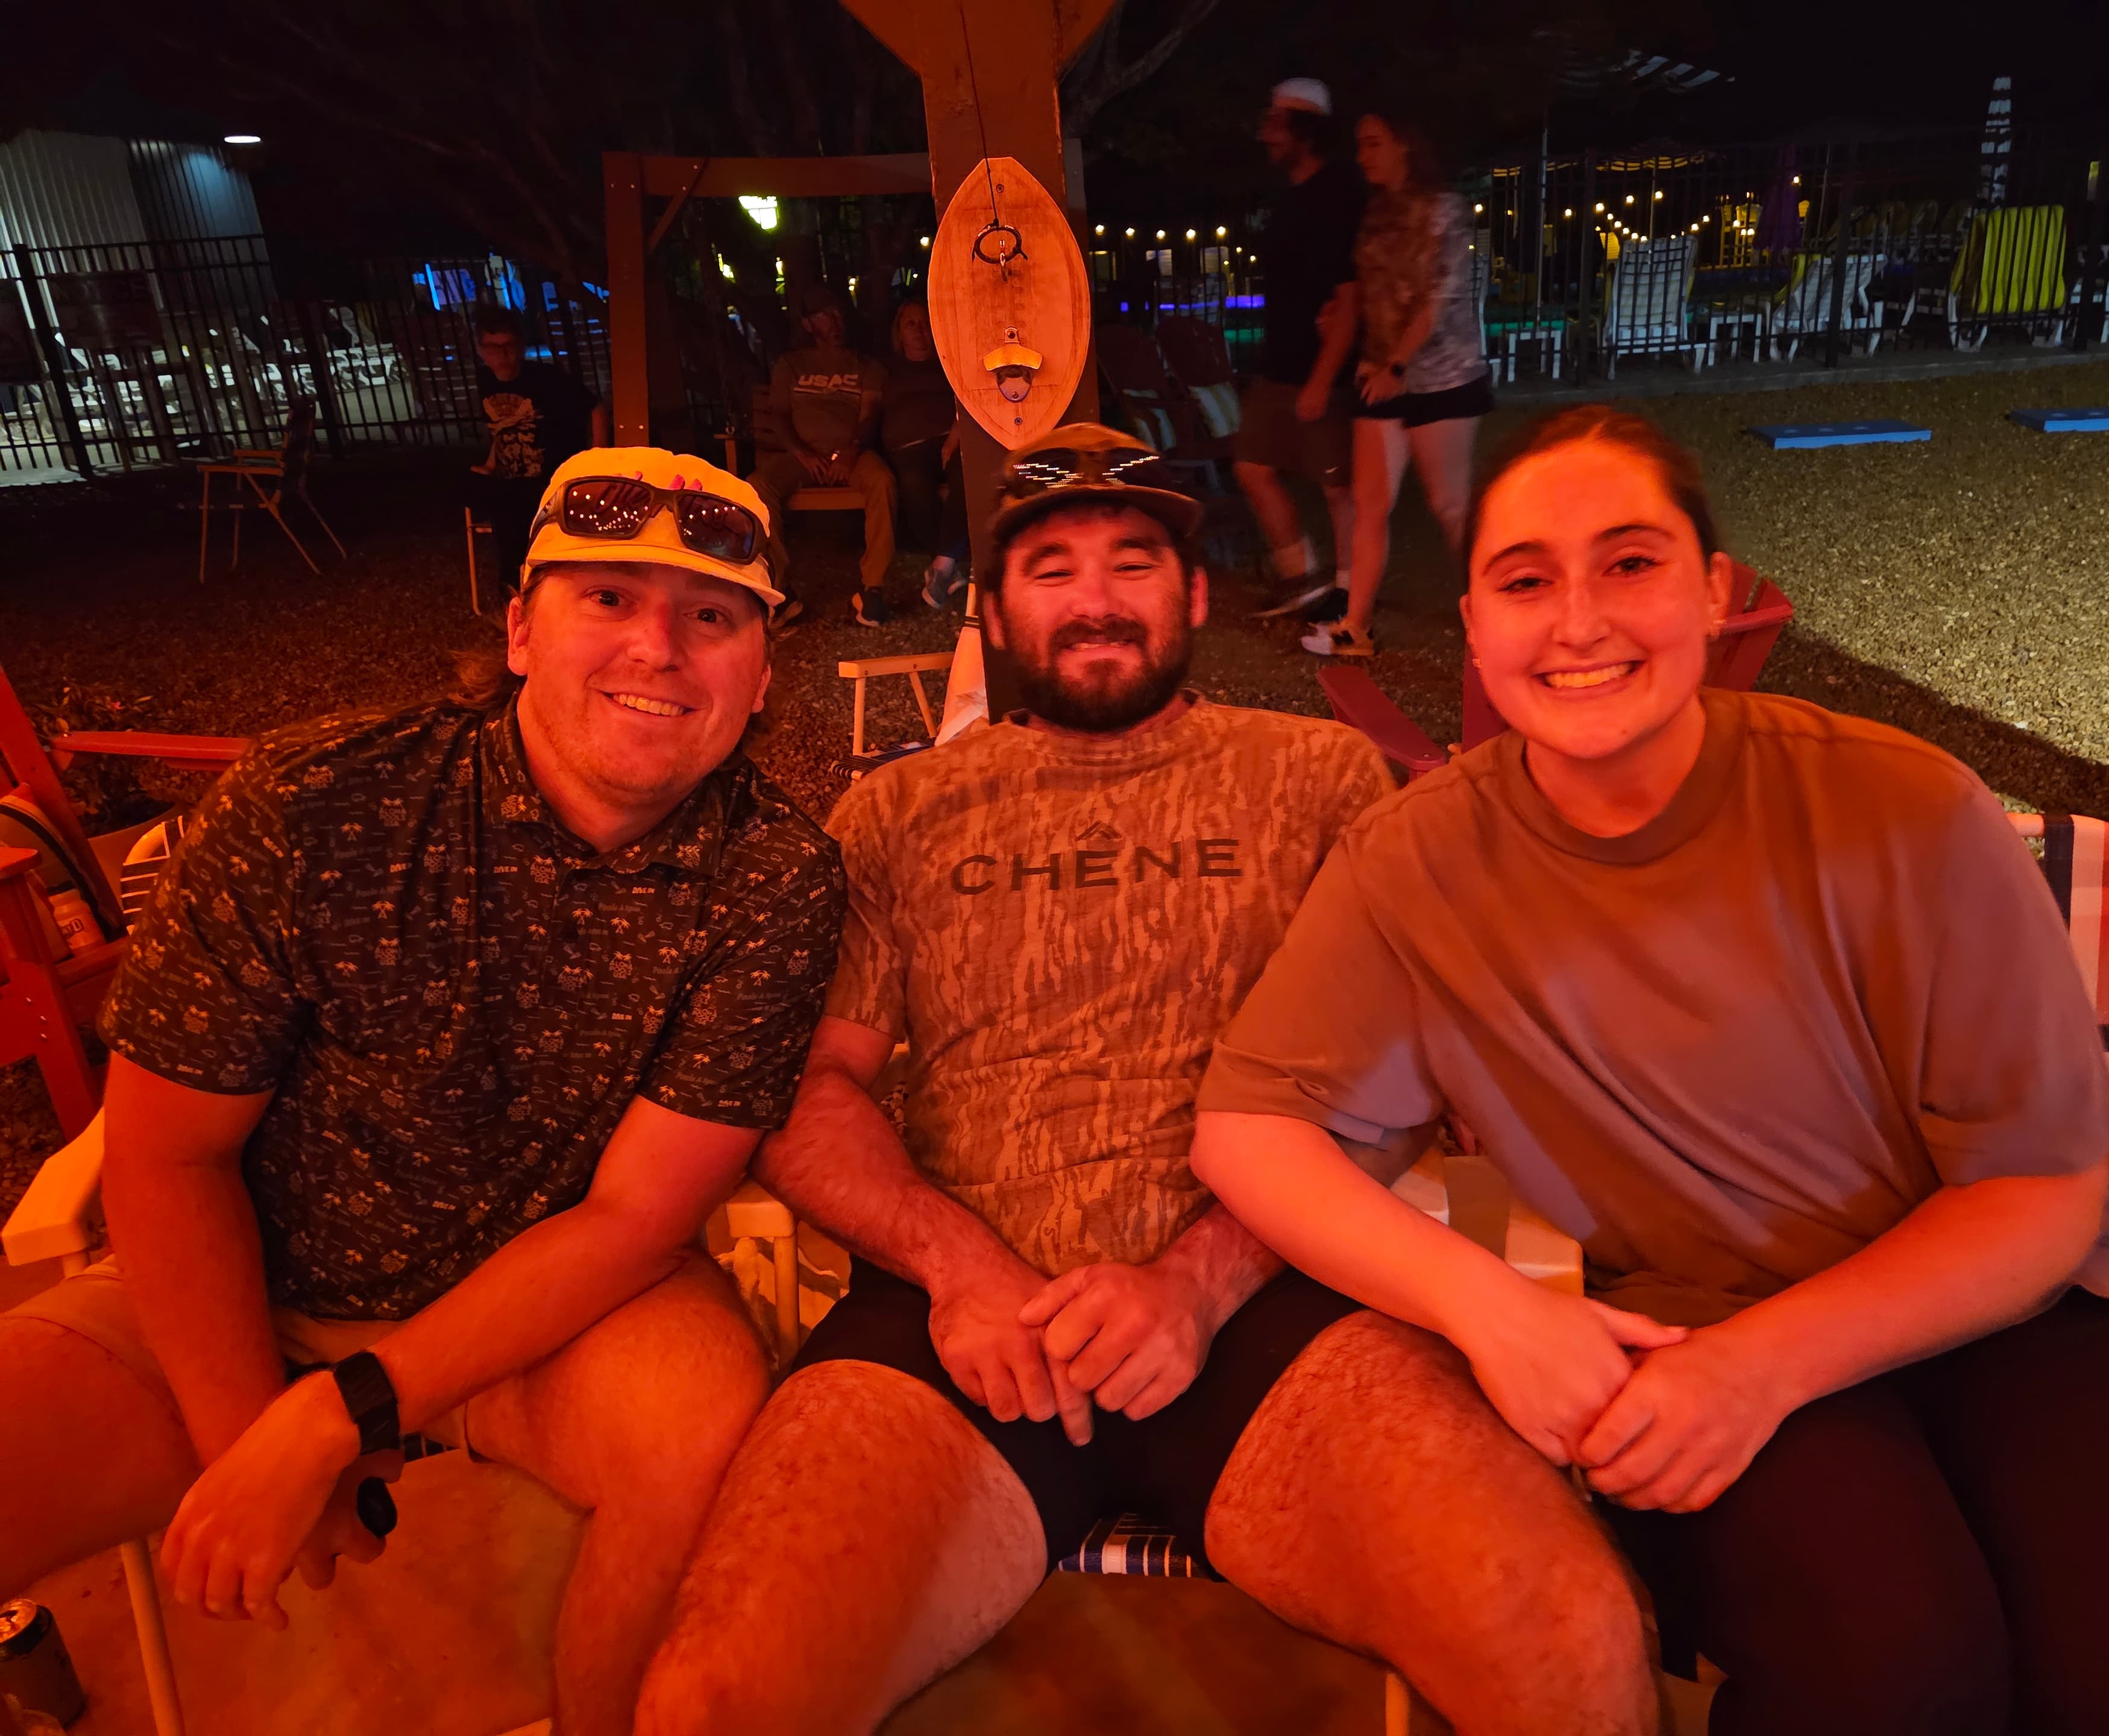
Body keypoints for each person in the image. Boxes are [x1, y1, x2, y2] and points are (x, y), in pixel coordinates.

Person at [1197, 404, 2109, 1735]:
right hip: (1689, 1326)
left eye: (1631, 564)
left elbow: (2042, 1196)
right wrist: (1493, 1311)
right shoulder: (1418, 866)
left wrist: (1762, 1368)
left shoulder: (1899, 808)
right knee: (1893, 1670)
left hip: (2029, 1304)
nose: (1579, 621)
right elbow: (1250, 1131)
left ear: (1714, 596)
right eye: (1527, 581)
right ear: (1474, 625)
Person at [635, 424, 1658, 1736]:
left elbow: (1408, 1077)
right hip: (964, 1327)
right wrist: (960, 1269)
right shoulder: (899, 812)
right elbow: (812, 1094)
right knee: (717, 1697)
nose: (1099, 599)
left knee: (1564, 1633)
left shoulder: (1319, 779)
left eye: (1134, 562)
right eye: (1053, 570)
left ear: (1195, 596)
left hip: (1277, 1302)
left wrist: (1199, 1278)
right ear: (995, 612)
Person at [0, 448, 847, 1736]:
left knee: (707, 1423)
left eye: (711, 616)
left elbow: (634, 1217)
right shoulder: (314, 803)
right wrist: (255, 1438)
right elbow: (170, 1159)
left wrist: (350, 1413)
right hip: (237, 1287)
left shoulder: (774, 880)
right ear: (518, 630)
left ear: (761, 674)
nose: (660, 648)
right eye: (606, 599)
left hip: (542, 1312)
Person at [1304, 110, 1494, 659]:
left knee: (1450, 505)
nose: (1362, 156)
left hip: (1444, 376)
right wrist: (1346, 324)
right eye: (1359, 145)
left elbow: (1438, 297)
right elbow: (1369, 289)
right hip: (1382, 375)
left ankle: (1495, 615)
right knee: (1370, 504)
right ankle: (1355, 628)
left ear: (1405, 145)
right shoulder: (1378, 213)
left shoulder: (1444, 210)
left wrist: (1398, 366)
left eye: (1372, 144)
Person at [1236, 77, 1365, 623]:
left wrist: (1322, 378)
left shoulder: (1338, 196)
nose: (1266, 134)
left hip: (1321, 371)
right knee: (1252, 466)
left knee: (1338, 488)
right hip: (1279, 367)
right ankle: (1303, 579)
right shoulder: (1289, 199)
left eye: (1275, 124)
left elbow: (1350, 296)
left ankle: (1348, 591)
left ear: (1304, 130)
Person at [750, 281, 897, 629]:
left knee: (883, 482)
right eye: (823, 315)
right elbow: (781, 416)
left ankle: (874, 589)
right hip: (804, 456)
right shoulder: (791, 365)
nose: (834, 321)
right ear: (808, 325)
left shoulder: (866, 365)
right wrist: (801, 454)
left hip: (853, 453)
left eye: (838, 313)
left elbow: (870, 414)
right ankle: (780, 590)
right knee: (757, 487)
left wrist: (851, 452)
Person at [466, 303, 610, 597]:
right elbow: (502, 429)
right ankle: (514, 607)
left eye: (508, 345)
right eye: (493, 347)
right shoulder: (486, 381)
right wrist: (491, 464)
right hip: (509, 479)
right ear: (481, 349)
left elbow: (595, 407)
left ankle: (550, 601)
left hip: (548, 477)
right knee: (508, 544)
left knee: (548, 549)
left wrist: (597, 459)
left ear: (520, 345)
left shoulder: (546, 379)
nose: (502, 354)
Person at [879, 298, 970, 610]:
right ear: (899, 332)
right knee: (914, 485)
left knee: (967, 477)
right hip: (909, 448)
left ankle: (942, 567)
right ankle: (947, 563)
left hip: (950, 440)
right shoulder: (888, 369)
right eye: (911, 324)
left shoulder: (950, 364)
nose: (920, 331)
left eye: (926, 324)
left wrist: (955, 436)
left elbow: (969, 402)